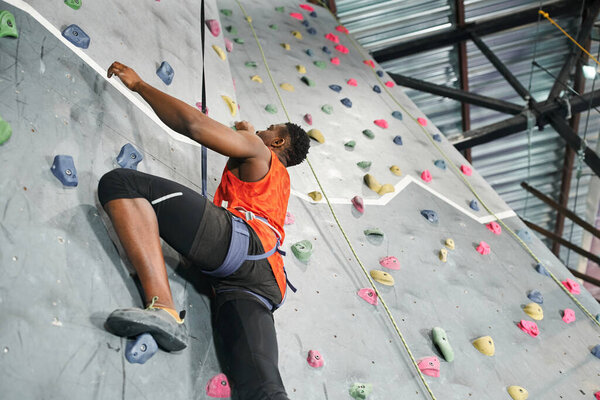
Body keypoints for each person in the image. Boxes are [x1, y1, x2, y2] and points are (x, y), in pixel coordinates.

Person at [98, 61, 310, 399]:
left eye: (270, 129)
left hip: (240, 247)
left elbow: (194, 124)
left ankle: (164, 309)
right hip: (265, 282)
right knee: (261, 385)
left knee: (120, 183)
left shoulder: (258, 150)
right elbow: (252, 146)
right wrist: (250, 130)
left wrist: (139, 85)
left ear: (278, 141)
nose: (262, 132)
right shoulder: (278, 179)